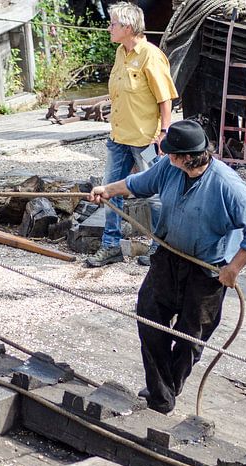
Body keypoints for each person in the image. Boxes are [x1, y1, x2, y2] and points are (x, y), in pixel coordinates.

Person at [88, 120, 246, 414]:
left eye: (171, 153)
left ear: (187, 156)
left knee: (190, 336)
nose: (166, 157)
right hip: (168, 258)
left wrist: (234, 268)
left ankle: (165, 390)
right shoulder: (169, 168)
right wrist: (107, 190)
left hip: (208, 269)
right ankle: (161, 396)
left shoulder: (227, 185)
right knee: (149, 319)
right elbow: (138, 183)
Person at [85, 1, 178, 268]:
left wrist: (163, 132)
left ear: (127, 27)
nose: (109, 27)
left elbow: (165, 98)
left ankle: (160, 248)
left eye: (113, 24)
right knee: (109, 191)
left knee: (155, 195)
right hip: (119, 138)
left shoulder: (151, 55)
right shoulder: (119, 53)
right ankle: (110, 246)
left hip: (145, 140)